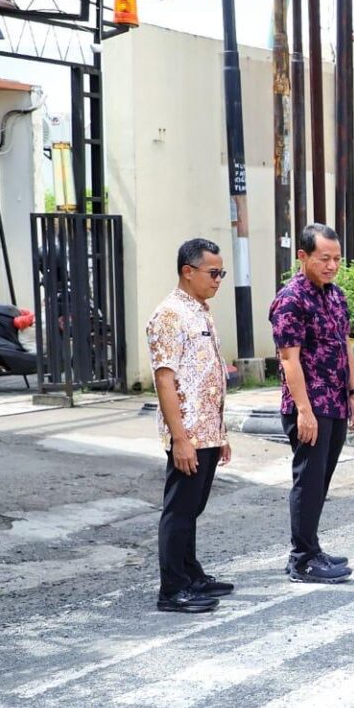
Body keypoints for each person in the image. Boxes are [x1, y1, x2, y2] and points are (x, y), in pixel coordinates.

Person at [270, 223, 354, 584]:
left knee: (321, 480)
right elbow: (289, 360)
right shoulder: (291, 299)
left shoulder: (336, 296)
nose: (331, 266)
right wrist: (304, 411)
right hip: (309, 405)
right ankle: (302, 559)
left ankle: (312, 547)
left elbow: (345, 347)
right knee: (307, 481)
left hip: (336, 401)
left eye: (336, 259)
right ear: (303, 256)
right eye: (324, 258)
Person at [147, 238, 233, 614]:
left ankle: (191, 573)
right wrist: (179, 438)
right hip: (188, 433)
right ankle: (173, 588)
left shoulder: (200, 310)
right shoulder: (170, 315)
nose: (218, 280)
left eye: (221, 273)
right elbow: (165, 380)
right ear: (188, 271)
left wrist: (222, 433)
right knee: (179, 509)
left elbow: (208, 377)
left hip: (208, 429)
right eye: (213, 273)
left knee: (192, 508)